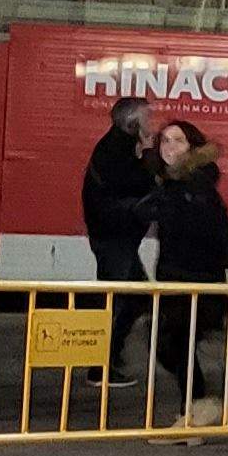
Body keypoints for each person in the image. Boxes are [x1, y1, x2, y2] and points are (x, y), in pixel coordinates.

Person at [139, 119, 228, 427]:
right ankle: (196, 408)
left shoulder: (193, 186)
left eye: (178, 141)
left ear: (192, 148)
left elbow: (210, 233)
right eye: (165, 142)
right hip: (177, 279)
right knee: (171, 345)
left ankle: (196, 411)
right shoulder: (172, 183)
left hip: (197, 280)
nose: (170, 147)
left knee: (174, 345)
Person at [81, 96, 157, 379]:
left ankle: (107, 357)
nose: (151, 124)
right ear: (132, 123)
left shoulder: (114, 147)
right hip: (114, 239)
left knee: (134, 298)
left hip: (115, 237)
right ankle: (100, 366)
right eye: (147, 118)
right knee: (120, 299)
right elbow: (142, 182)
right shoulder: (116, 151)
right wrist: (149, 152)